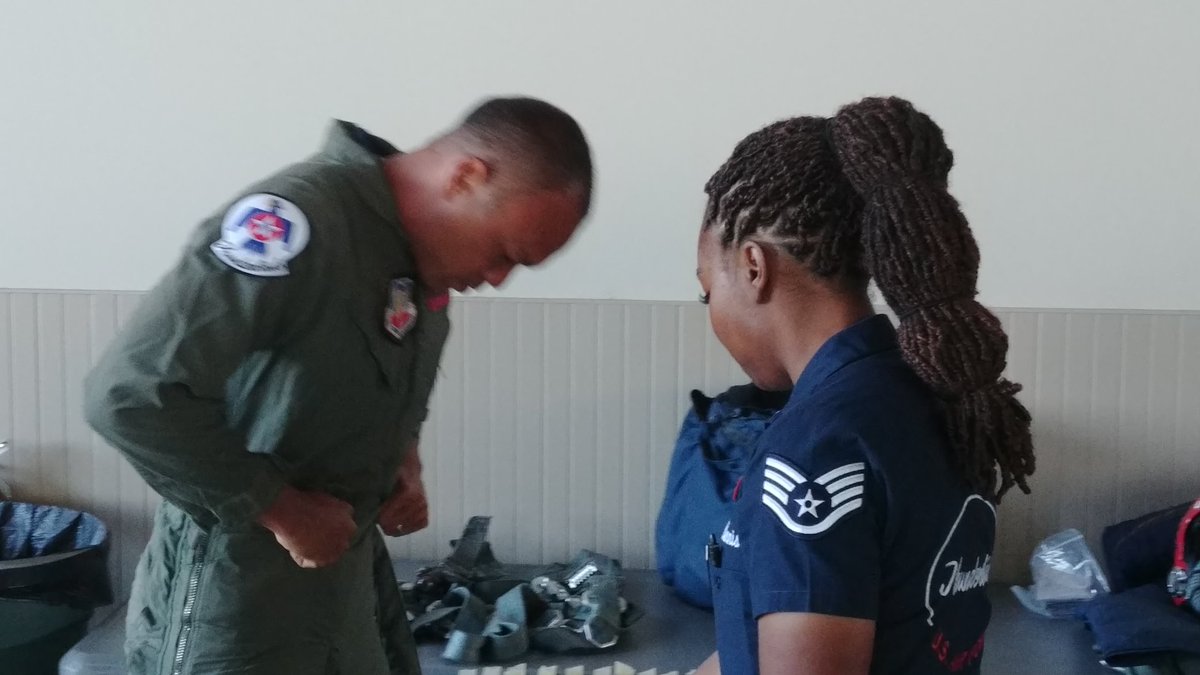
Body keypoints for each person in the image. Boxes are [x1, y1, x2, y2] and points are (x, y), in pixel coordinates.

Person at [83, 96, 593, 675]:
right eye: (504, 253)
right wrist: (280, 509)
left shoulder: (417, 254)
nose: (499, 279)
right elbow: (128, 396)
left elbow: (365, 372)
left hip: (343, 582)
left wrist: (403, 462)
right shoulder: (295, 225)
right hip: (238, 596)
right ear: (466, 177)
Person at [692, 96, 1034, 675]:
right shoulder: (932, 392)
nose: (710, 311)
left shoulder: (815, 450)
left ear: (754, 267)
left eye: (706, 292)